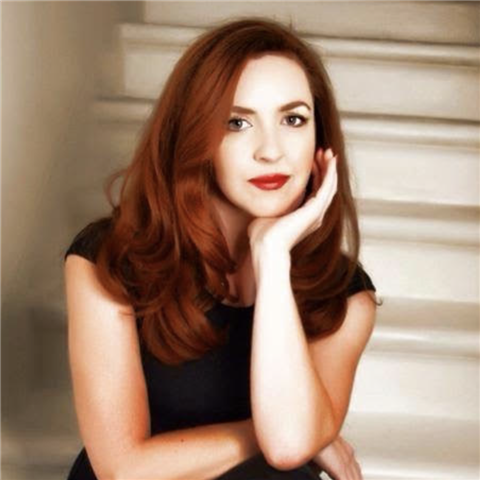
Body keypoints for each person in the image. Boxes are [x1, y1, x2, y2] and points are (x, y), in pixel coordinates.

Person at [63, 17, 380, 480]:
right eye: (237, 122)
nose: (270, 151)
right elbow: (123, 470)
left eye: (293, 119)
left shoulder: (344, 296)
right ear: (196, 137)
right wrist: (286, 431)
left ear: (320, 141)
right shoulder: (109, 260)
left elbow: (288, 446)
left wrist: (272, 255)